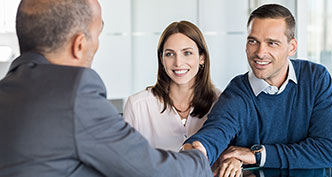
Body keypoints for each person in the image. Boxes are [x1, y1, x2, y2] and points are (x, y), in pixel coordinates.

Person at [0, 0, 212, 176]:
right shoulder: (73, 95)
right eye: (97, 34)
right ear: (79, 45)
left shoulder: (8, 91)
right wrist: (200, 158)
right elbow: (150, 169)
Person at [184, 3, 332, 175]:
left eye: (272, 43)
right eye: (253, 41)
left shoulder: (315, 78)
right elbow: (216, 131)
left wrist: (257, 155)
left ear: (292, 47)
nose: (260, 52)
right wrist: (196, 150)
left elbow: (327, 151)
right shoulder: (238, 92)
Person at [123, 21, 220, 151]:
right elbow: (126, 163)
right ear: (162, 60)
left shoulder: (220, 102)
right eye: (169, 54)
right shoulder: (137, 106)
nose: (178, 63)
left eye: (187, 53)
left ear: (201, 57)